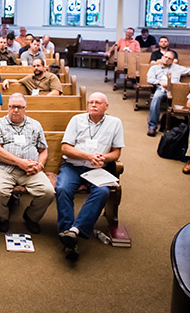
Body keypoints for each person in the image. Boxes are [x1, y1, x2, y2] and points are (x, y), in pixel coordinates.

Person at [56, 92, 124, 262]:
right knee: (63, 188)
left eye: (98, 102)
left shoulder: (115, 123)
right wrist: (88, 156)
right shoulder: (76, 120)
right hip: (73, 165)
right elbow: (65, 148)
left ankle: (75, 231)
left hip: (97, 169)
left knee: (102, 192)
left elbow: (116, 152)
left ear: (106, 106)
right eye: (91, 102)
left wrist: (104, 158)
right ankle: (67, 234)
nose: (93, 105)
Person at [0, 94, 54, 234]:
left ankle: (31, 217)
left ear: (25, 108)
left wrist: (40, 166)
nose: (16, 110)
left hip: (30, 170)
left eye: (19, 107)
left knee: (48, 192)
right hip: (4, 168)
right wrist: (20, 162)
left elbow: (43, 150)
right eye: (12, 107)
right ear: (8, 108)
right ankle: (3, 218)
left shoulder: (35, 125)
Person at [145, 51, 190, 136]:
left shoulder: (177, 68)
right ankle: (152, 126)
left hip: (176, 91)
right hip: (162, 89)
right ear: (162, 58)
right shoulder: (154, 68)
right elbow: (149, 79)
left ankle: (187, 127)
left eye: (170, 58)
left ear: (172, 61)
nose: (167, 59)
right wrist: (160, 82)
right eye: (165, 57)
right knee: (156, 98)